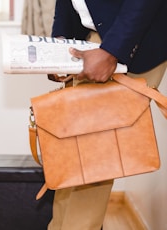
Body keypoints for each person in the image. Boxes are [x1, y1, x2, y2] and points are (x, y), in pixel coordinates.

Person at [48, 0, 167, 229]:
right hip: (91, 38)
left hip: (130, 41)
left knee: (94, 158)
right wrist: (58, 42)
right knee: (71, 152)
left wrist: (113, 51)